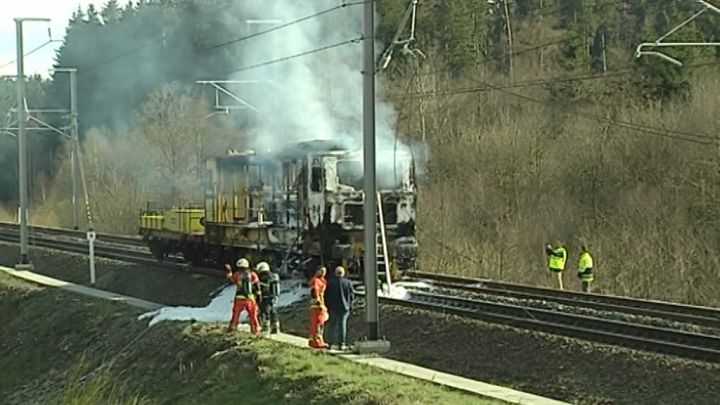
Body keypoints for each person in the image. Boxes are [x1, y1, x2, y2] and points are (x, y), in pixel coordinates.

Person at [226, 258, 261, 337]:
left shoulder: (237, 274)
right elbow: (257, 285)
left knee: (236, 314)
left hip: (239, 298)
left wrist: (229, 272)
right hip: (250, 298)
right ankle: (256, 330)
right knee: (253, 314)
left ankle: (232, 328)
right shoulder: (252, 274)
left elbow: (230, 280)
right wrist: (259, 296)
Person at [324, 266, 355, 350]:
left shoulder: (330, 283)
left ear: (335, 273)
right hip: (344, 307)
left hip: (332, 307)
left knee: (332, 325)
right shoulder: (348, 283)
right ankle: (341, 343)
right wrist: (350, 305)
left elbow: (326, 295)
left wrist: (327, 305)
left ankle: (330, 343)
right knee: (342, 325)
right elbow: (352, 295)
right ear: (343, 273)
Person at [256, 261, 281, 334]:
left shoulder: (264, 277)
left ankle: (266, 329)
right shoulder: (274, 276)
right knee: (273, 312)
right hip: (274, 296)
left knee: (265, 312)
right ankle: (275, 328)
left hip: (266, 297)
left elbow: (263, 287)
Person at [308, 266, 329, 349]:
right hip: (317, 305)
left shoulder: (323, 281)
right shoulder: (316, 281)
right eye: (322, 271)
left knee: (320, 323)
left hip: (321, 304)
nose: (323, 273)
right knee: (317, 323)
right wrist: (319, 303)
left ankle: (316, 340)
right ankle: (316, 341)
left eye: (324, 271)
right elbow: (315, 292)